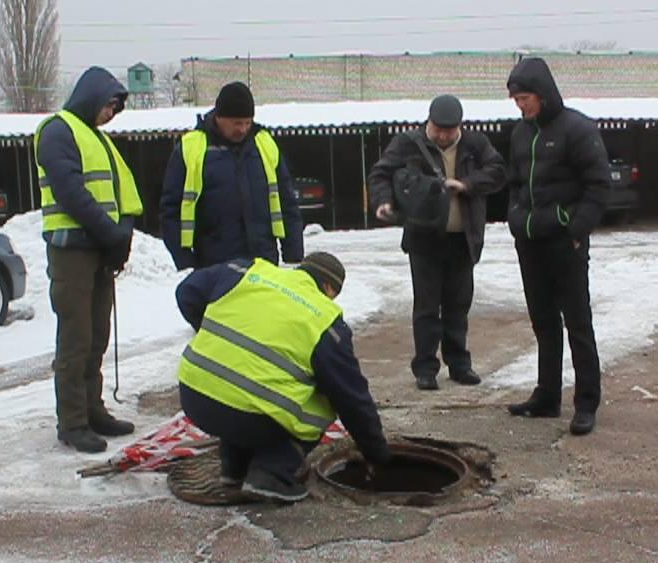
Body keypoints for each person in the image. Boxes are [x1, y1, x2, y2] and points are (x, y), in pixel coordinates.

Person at [175, 252, 392, 502]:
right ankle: (271, 474)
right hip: (248, 416)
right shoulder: (325, 321)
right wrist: (377, 453)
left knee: (242, 389)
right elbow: (352, 399)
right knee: (319, 402)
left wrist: (212, 334)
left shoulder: (249, 272)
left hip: (193, 395)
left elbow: (187, 292)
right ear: (329, 287)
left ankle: (233, 469)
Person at [34, 66, 142, 453]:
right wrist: (110, 233)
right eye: (108, 106)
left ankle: (93, 410)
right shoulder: (57, 131)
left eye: (115, 109)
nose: (110, 115)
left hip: (97, 250)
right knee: (76, 339)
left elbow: (124, 191)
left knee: (97, 335)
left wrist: (122, 236)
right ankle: (73, 422)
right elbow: (71, 193)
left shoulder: (98, 140)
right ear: (92, 95)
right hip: (72, 253)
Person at [367, 95, 506, 391]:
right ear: (428, 122)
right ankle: (425, 367)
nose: (443, 136)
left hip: (463, 238)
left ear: (460, 127)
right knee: (427, 305)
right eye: (437, 129)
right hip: (424, 238)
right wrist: (383, 201)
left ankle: (459, 364)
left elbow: (498, 172)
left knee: (458, 304)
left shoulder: (475, 144)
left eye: (449, 130)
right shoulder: (408, 143)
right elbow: (381, 174)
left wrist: (467, 184)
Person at [502, 57, 610, 436]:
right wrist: (515, 217)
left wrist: (576, 228)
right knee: (544, 322)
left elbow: (599, 185)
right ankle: (547, 396)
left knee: (578, 323)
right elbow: (514, 182)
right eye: (516, 100)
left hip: (565, 243)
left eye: (525, 98)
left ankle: (586, 403)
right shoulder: (519, 134)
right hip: (530, 243)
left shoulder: (577, 129)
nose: (520, 106)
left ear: (543, 95)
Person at [159, 82, 303, 271]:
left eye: (247, 123)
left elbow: (287, 202)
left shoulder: (265, 144)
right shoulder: (191, 148)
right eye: (237, 123)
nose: (243, 129)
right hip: (214, 265)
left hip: (263, 262)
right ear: (219, 117)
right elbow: (171, 210)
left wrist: (293, 251)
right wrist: (184, 259)